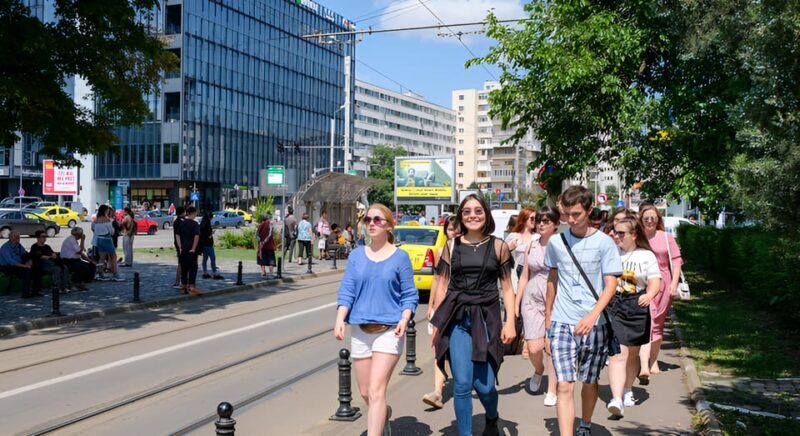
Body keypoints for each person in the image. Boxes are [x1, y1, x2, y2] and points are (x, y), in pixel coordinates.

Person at [430, 194, 516, 436]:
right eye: (467, 212)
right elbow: (443, 285)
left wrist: (510, 322)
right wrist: (436, 324)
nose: (472, 216)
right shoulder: (450, 246)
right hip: (456, 319)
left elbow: (508, 288)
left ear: (486, 214)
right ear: (461, 216)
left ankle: (492, 417)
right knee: (462, 385)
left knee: (486, 386)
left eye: (478, 211)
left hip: (487, 318)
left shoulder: (499, 246)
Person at [334, 203, 418, 436]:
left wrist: (404, 319)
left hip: (390, 330)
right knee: (364, 392)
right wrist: (340, 318)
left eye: (378, 220)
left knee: (376, 389)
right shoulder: (356, 256)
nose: (371, 223)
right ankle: (382, 416)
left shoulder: (400, 258)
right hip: (361, 329)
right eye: (368, 219)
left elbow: (409, 295)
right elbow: (347, 290)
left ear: (389, 225)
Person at [544, 185, 622, 436]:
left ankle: (585, 424)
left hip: (595, 324)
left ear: (589, 210)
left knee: (589, 381)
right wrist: (548, 322)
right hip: (562, 322)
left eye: (576, 213)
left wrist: (592, 315)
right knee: (565, 385)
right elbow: (552, 281)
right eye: (566, 213)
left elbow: (611, 284)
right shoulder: (556, 242)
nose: (570, 219)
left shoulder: (605, 243)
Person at [606, 217, 661, 418]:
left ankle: (628, 389)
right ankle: (616, 399)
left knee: (632, 354)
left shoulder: (646, 256)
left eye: (621, 233)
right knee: (617, 353)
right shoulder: (610, 253)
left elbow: (655, 280)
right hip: (615, 304)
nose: (616, 236)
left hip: (637, 304)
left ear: (633, 235)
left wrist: (650, 294)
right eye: (615, 232)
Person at [515, 206, 560, 407]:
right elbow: (524, 275)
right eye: (539, 221)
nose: (541, 224)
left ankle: (551, 389)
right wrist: (516, 303)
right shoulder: (531, 246)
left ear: (556, 224)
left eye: (546, 221)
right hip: (531, 298)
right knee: (534, 347)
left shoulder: (560, 246)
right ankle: (538, 369)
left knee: (550, 346)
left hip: (556, 297)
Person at [637, 204, 684, 382]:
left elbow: (677, 261)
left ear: (658, 219)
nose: (649, 221)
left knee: (657, 323)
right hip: (643, 283)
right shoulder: (637, 237)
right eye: (646, 218)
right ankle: (643, 366)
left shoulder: (666, 237)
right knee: (645, 322)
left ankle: (653, 360)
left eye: (653, 218)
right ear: (641, 220)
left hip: (663, 284)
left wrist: (674, 284)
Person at [421, 215, 460, 410]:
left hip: (459, 307)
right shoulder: (439, 251)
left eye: (457, 229)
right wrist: (430, 306)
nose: (454, 233)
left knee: (455, 347)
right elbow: (436, 280)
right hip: (440, 305)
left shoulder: (467, 251)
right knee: (438, 347)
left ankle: (460, 381)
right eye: (451, 229)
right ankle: (437, 391)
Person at [0, 231, 35, 298]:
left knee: (34, 268)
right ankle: (25, 294)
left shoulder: (18, 245)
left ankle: (34, 290)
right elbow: (11, 262)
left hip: (18, 265)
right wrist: (25, 266)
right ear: (10, 237)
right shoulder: (5, 247)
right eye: (16, 236)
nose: (18, 238)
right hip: (7, 267)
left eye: (18, 236)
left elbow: (25, 254)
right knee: (26, 271)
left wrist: (29, 261)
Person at [94, 205, 123, 281]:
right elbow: (112, 231)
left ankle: (100, 274)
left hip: (99, 239)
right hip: (107, 239)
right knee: (113, 256)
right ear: (105, 211)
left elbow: (94, 229)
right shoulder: (107, 219)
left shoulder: (96, 220)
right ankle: (115, 274)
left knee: (101, 258)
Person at [177, 206, 202, 295]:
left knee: (184, 269)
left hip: (183, 249)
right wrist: (193, 248)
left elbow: (178, 235)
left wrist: (180, 247)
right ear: (194, 213)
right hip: (191, 250)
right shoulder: (195, 224)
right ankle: (191, 287)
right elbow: (196, 236)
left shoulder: (182, 223)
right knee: (193, 268)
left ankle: (183, 287)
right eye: (196, 213)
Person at [505, 208, 536, 278]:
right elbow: (501, 255)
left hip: (532, 274)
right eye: (532, 218)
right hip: (515, 274)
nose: (534, 221)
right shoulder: (513, 236)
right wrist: (509, 248)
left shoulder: (537, 237)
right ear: (524, 219)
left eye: (536, 219)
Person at [200, 211, 223, 280]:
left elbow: (202, 235)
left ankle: (205, 272)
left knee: (205, 259)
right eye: (211, 218)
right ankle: (214, 273)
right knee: (212, 258)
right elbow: (208, 236)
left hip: (203, 244)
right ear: (209, 218)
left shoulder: (202, 224)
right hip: (209, 244)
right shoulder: (208, 225)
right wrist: (212, 233)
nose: (211, 219)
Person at [172, 206, 186, 288]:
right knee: (181, 263)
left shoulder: (178, 221)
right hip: (180, 245)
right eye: (184, 212)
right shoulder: (179, 222)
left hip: (179, 244)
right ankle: (178, 281)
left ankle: (180, 281)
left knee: (181, 263)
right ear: (182, 213)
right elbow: (179, 235)